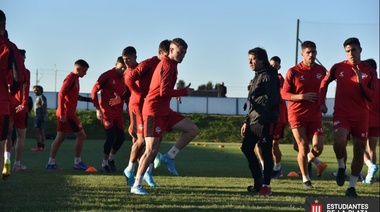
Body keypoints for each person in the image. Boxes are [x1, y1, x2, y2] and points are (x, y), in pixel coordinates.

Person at [130, 38, 199, 195]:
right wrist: (182, 92)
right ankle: (136, 184)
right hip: (153, 112)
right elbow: (163, 92)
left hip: (165, 111)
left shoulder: (172, 64)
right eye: (179, 52)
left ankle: (169, 157)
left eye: (184, 53)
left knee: (192, 129)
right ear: (171, 50)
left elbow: (165, 89)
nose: (182, 56)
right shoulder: (168, 65)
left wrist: (176, 92)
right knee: (151, 151)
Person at [319, 37, 377, 198]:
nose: (351, 53)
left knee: (359, 150)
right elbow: (324, 83)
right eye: (348, 51)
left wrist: (360, 81)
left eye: (354, 50)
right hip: (342, 114)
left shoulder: (370, 71)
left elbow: (371, 96)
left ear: (360, 50)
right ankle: (341, 166)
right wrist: (321, 102)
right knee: (339, 140)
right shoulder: (338, 67)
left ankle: (351, 187)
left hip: (361, 116)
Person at [121, 40, 170, 188]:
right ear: (161, 53)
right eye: (125, 59)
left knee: (155, 141)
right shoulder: (147, 64)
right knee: (141, 141)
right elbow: (129, 79)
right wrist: (140, 94)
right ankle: (130, 169)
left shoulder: (166, 65)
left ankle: (147, 172)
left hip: (151, 108)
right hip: (138, 107)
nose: (127, 62)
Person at [281, 41, 327, 189]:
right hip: (297, 115)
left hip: (315, 116)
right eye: (308, 52)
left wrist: (322, 103)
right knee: (302, 146)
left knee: (318, 148)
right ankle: (306, 180)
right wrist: (302, 96)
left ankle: (309, 159)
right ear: (302, 54)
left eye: (313, 52)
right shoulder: (293, 71)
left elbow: (322, 91)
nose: (311, 55)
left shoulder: (322, 71)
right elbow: (284, 94)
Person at [242, 47, 280, 196]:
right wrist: (247, 121)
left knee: (265, 150)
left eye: (253, 59)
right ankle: (258, 181)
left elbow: (272, 101)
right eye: (249, 60)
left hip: (265, 121)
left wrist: (262, 122)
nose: (250, 63)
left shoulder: (269, 76)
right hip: (253, 120)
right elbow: (253, 102)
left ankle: (266, 186)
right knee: (246, 148)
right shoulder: (257, 76)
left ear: (262, 60)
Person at [46, 59, 93, 170]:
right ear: (78, 69)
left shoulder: (76, 79)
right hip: (67, 114)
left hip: (64, 113)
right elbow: (61, 94)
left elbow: (74, 96)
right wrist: (62, 112)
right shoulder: (71, 78)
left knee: (60, 138)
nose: (85, 74)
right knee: (82, 136)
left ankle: (51, 163)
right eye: (84, 71)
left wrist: (89, 100)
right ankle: (77, 163)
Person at [91, 56, 128, 173]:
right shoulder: (106, 75)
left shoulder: (126, 77)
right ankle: (104, 164)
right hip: (106, 112)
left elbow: (127, 92)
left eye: (125, 68)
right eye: (122, 68)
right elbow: (93, 91)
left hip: (118, 113)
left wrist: (127, 105)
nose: (123, 70)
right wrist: (97, 109)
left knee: (121, 138)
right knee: (111, 137)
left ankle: (111, 159)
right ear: (116, 64)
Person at [1, 10, 26, 179]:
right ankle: (10, 162)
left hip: (9, 102)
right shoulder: (9, 47)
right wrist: (13, 91)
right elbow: (20, 78)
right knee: (9, 137)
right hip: (6, 102)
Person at [254, 56, 288, 178]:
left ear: (279, 67)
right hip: (263, 116)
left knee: (274, 145)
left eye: (275, 66)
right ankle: (265, 168)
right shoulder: (262, 77)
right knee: (259, 143)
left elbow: (280, 95)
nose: (273, 68)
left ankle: (277, 168)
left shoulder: (280, 80)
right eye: (271, 65)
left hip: (278, 116)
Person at [361, 58, 379, 184]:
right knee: (372, 148)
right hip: (377, 120)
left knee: (360, 147)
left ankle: (370, 166)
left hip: (364, 118)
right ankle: (370, 177)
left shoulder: (364, 83)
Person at [31, 85, 48, 151]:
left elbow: (44, 106)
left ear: (40, 90)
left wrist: (44, 116)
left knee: (37, 130)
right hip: (39, 116)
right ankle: (42, 147)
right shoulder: (39, 97)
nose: (34, 91)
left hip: (39, 117)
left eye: (35, 90)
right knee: (40, 131)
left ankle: (40, 146)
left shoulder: (42, 97)